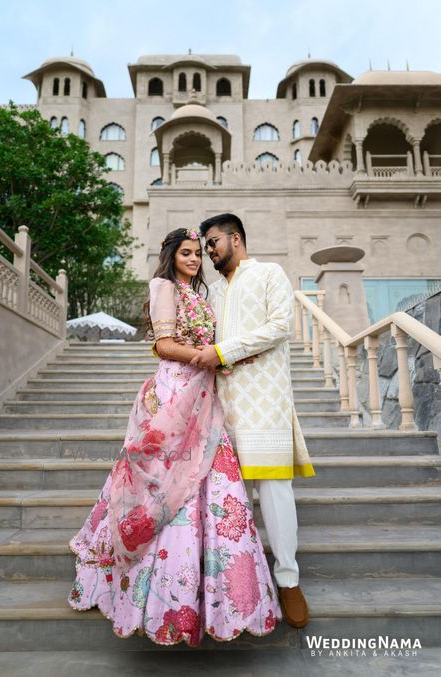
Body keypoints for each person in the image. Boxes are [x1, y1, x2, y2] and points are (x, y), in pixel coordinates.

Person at [68, 227, 281, 645]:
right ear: (171, 255)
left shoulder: (200, 295)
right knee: (164, 482)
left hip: (203, 393)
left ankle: (218, 598)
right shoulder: (164, 286)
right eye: (186, 253)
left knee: (213, 478)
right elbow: (164, 345)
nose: (194, 259)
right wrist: (212, 358)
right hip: (174, 392)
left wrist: (229, 353)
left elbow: (211, 341)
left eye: (198, 253)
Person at [192, 214, 315, 629]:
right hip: (221, 405)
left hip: (265, 399)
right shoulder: (213, 293)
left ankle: (288, 579)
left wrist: (223, 352)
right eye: (205, 246)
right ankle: (229, 582)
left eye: (213, 242)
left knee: (275, 487)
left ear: (236, 238)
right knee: (224, 496)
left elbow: (280, 327)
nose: (209, 251)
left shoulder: (268, 273)